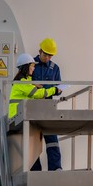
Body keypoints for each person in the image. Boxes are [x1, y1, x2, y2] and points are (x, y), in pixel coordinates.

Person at [30, 38, 63, 171]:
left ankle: (55, 169)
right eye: (45, 55)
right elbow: (22, 83)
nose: (47, 58)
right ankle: (35, 170)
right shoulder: (30, 65)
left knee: (52, 140)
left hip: (48, 108)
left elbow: (58, 88)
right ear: (40, 51)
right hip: (32, 108)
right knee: (32, 141)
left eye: (50, 55)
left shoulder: (55, 68)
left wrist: (59, 90)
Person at [8, 53, 61, 120]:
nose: (34, 68)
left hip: (19, 115)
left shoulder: (23, 81)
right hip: (16, 116)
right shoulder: (22, 81)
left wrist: (33, 84)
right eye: (32, 66)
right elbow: (36, 94)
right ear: (26, 67)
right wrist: (54, 90)